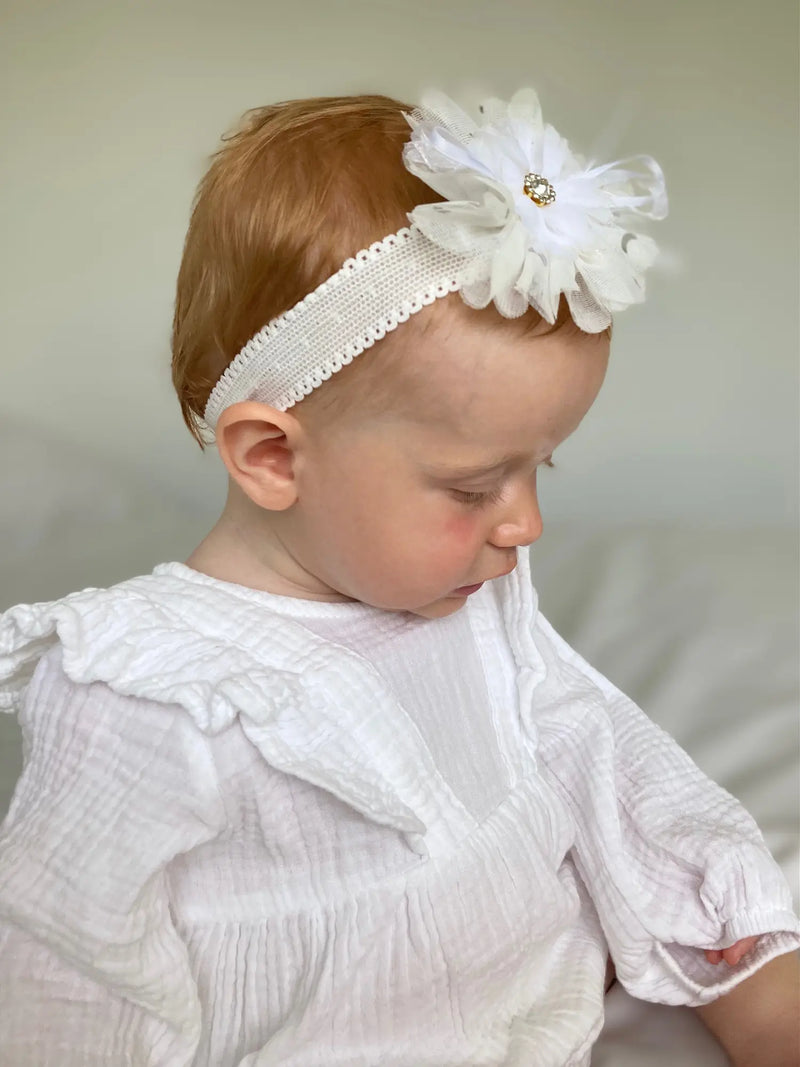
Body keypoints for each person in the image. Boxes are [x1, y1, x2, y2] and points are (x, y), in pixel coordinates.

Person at [0, 90, 797, 1067]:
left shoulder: (470, 598)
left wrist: (750, 969)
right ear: (273, 457)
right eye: (472, 484)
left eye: (536, 467)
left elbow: (595, 752)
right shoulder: (141, 694)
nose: (525, 524)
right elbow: (68, 969)